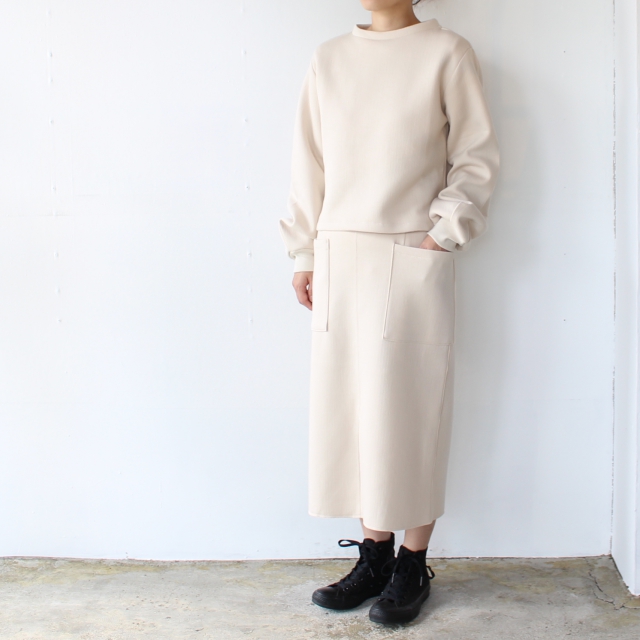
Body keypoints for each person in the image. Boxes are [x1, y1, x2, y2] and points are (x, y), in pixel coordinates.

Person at [278, 0, 499, 626]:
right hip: (339, 253)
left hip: (411, 250)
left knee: (412, 406)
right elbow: (308, 162)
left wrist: (439, 237)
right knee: (352, 411)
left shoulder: (447, 53)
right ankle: (373, 557)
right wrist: (304, 251)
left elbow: (476, 156)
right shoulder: (329, 59)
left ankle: (412, 562)